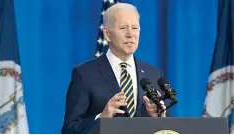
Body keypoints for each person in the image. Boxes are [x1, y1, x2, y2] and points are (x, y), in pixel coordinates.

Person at [62, 3, 166, 134]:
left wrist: (159, 118)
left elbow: (167, 129)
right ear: (107, 34)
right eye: (123, 28)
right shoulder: (84, 74)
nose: (130, 34)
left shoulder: (154, 75)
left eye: (135, 28)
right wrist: (102, 118)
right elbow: (69, 130)